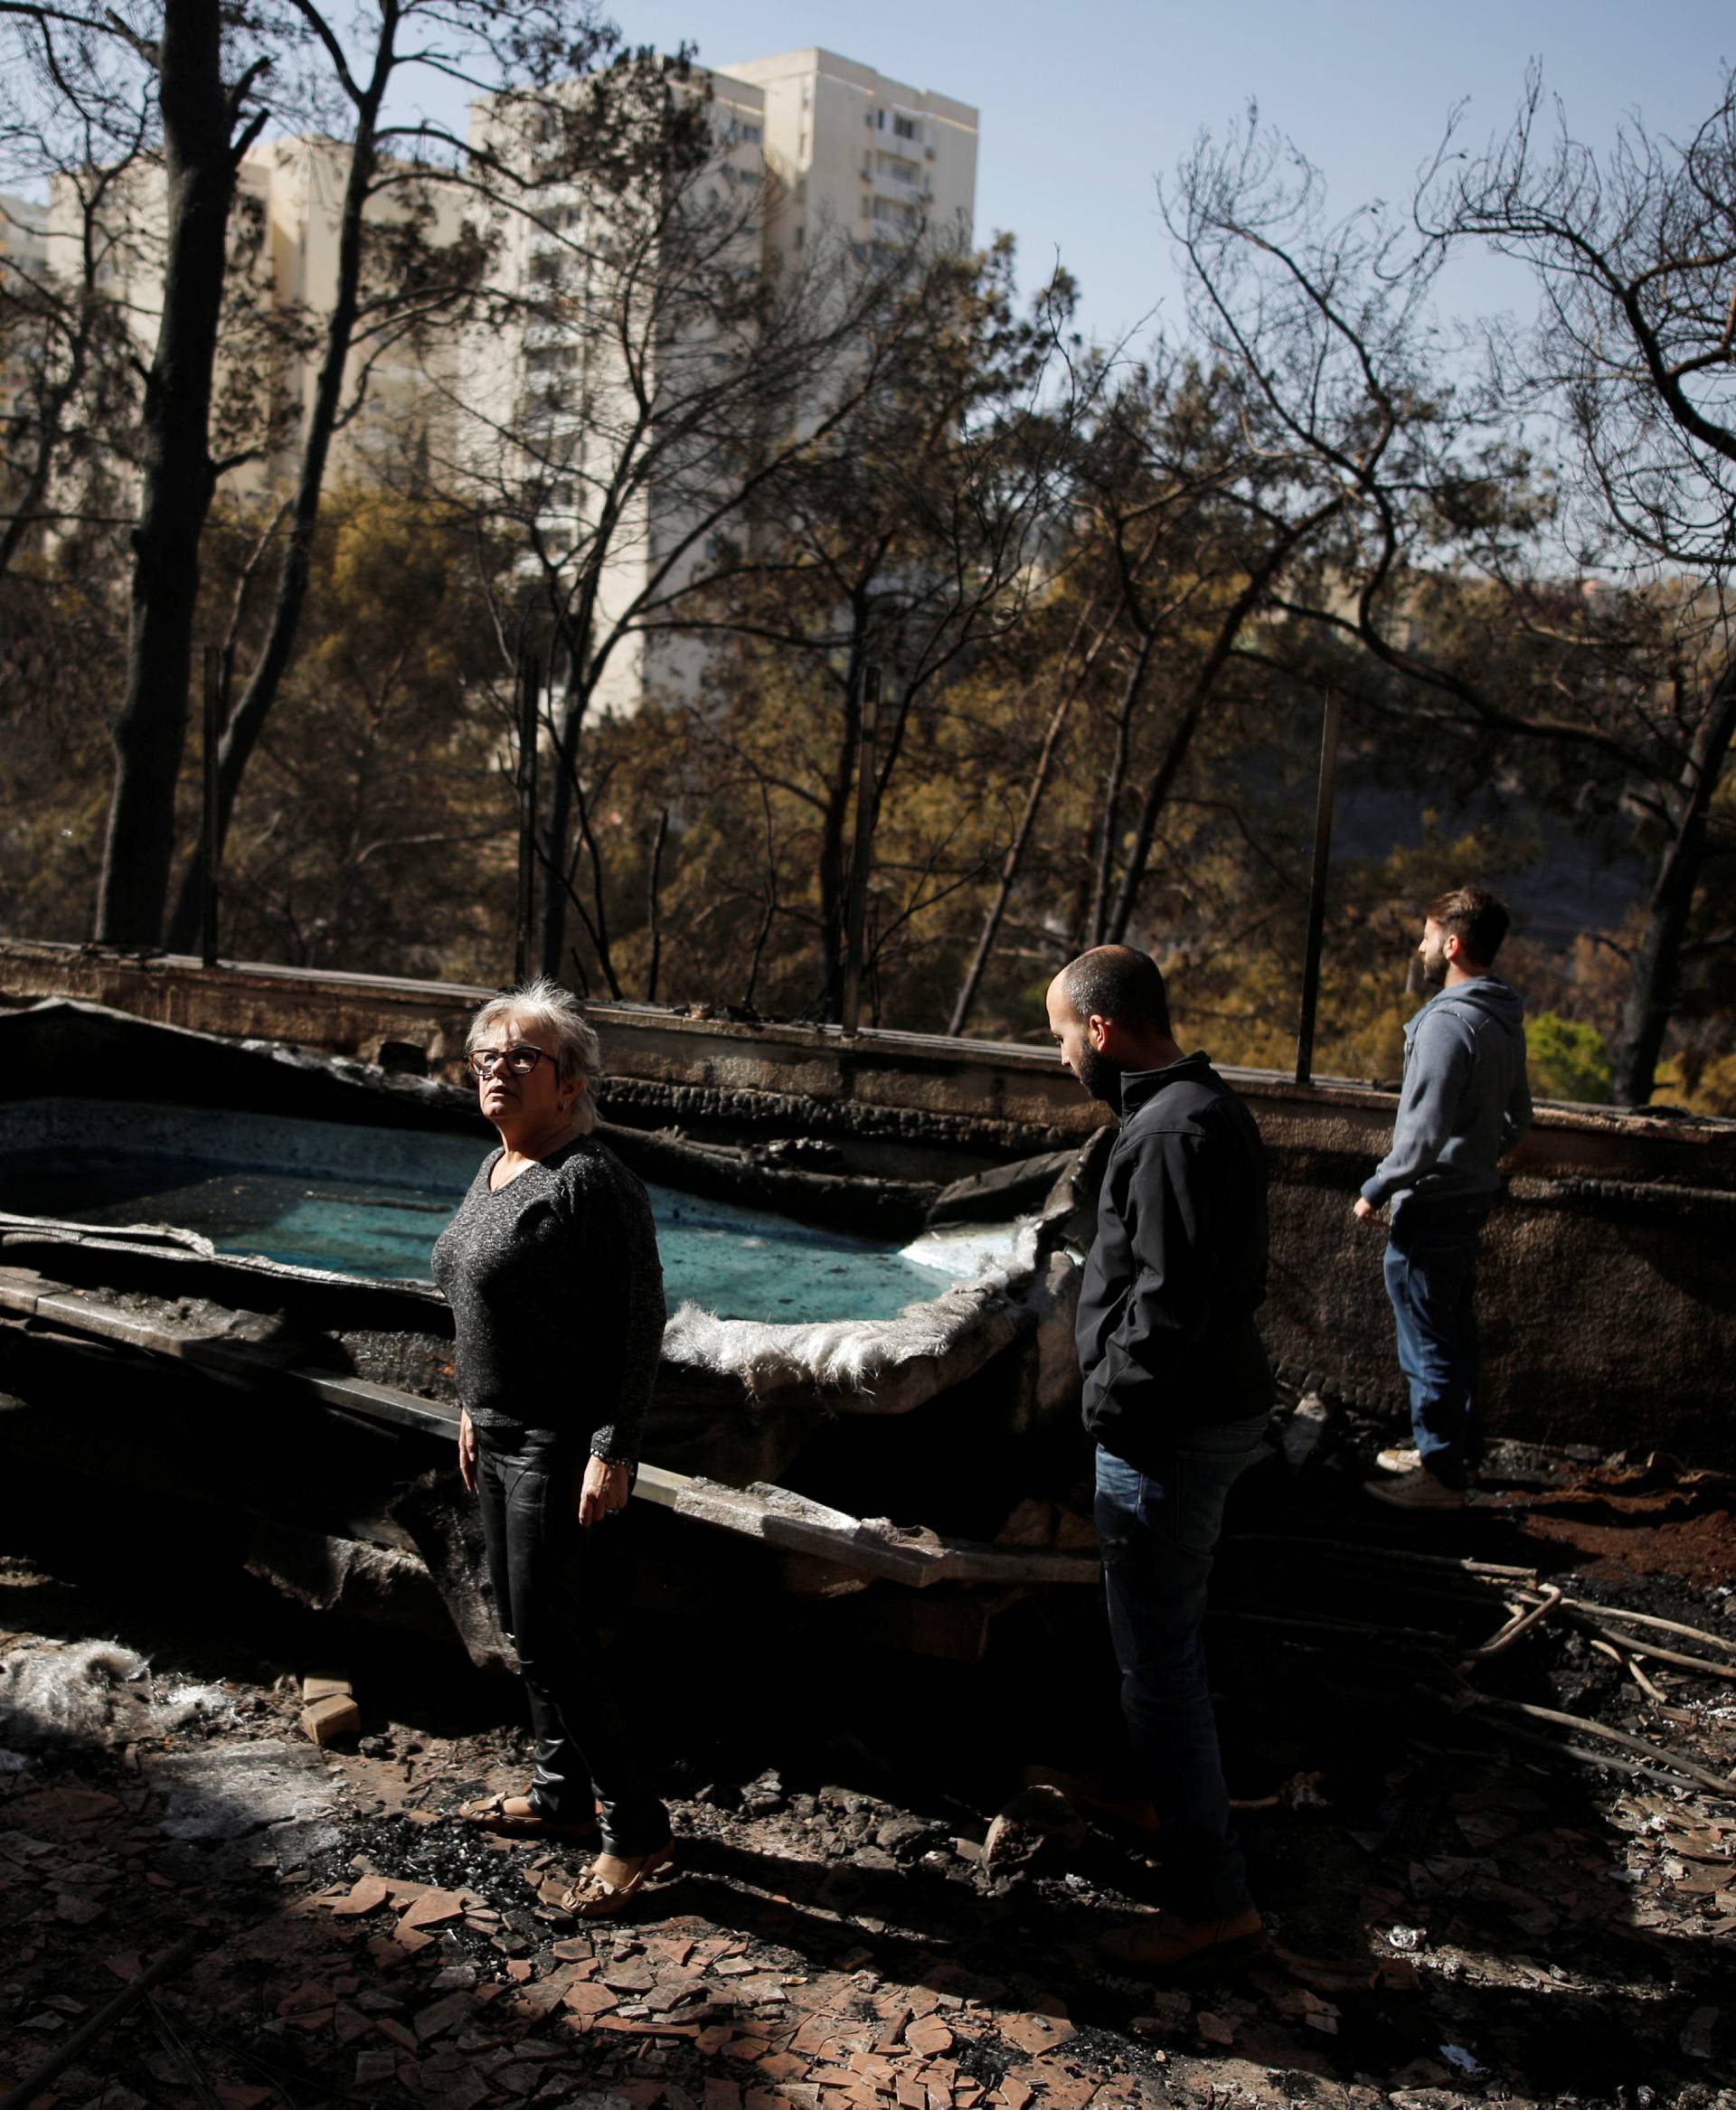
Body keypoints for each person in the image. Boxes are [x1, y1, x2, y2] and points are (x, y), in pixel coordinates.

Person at [1044, 945, 1272, 1978]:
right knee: (1163, 1652)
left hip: (1165, 1433)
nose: (1058, 1057)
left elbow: (1169, 1304)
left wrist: (1104, 1402)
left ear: (1101, 1029)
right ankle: (1158, 1798)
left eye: (1058, 1035)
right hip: (1192, 1420)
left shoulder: (1173, 1129)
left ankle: (1210, 1904)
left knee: (1160, 1667)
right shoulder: (1199, 1111)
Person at [431, 976, 673, 1917]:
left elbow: (637, 1322)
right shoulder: (496, 1165)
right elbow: (478, 1298)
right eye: (486, 1058)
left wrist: (614, 1446)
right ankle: (559, 1796)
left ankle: (636, 1828)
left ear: (569, 1081)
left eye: (520, 1057)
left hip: (555, 1442)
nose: (497, 1071)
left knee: (551, 1639)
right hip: (494, 1431)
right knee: (531, 1634)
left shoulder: (593, 1182)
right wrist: (469, 1404)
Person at [1354, 886, 1532, 1512]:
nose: (1422, 947)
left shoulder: (1445, 1023)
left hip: (1430, 1205)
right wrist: (1476, 1156)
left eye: (1428, 937)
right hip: (1470, 1199)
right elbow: (1520, 1117)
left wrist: (1377, 1187)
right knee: (1453, 1333)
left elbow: (1422, 1136)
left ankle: (1439, 1477)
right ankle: (1451, 1451)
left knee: (1426, 1337)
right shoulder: (1502, 1019)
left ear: (1453, 945)